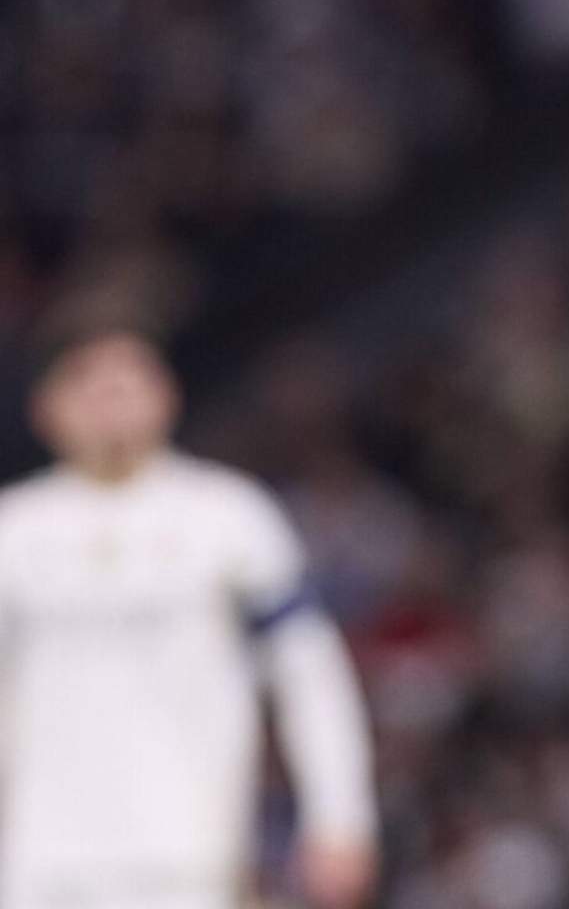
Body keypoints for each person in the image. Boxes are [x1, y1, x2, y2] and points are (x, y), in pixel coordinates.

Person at [0, 322, 378, 909]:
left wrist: (341, 816)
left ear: (167, 394)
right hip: (38, 864)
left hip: (191, 858)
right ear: (46, 407)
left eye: (128, 378)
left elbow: (309, 672)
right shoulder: (14, 532)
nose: (110, 397)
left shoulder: (229, 518)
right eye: (87, 382)